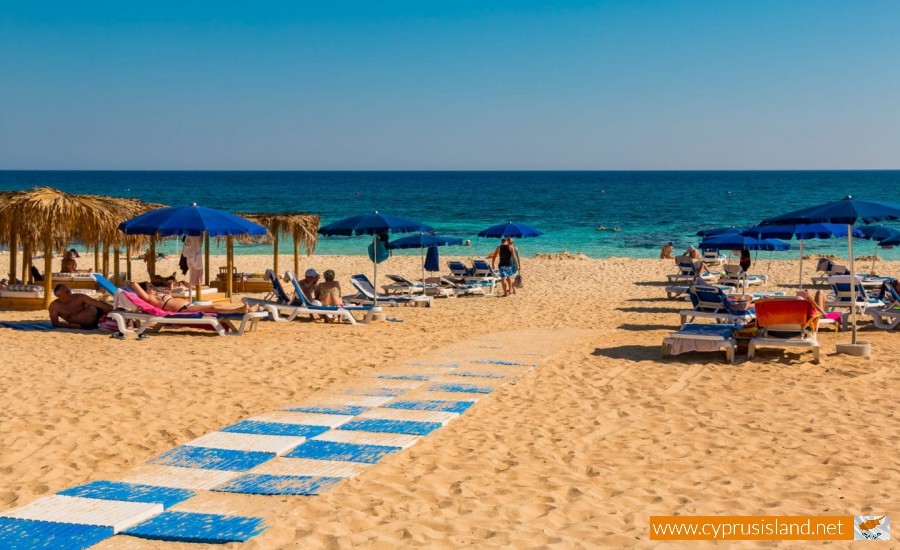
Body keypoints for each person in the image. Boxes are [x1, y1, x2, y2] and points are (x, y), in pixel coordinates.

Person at [130, 282, 252, 314]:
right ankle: (240, 310)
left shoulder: (157, 296)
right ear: (145, 291)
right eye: (150, 287)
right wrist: (137, 284)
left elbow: (170, 301)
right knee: (213, 307)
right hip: (183, 309)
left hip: (187, 305)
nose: (153, 288)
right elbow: (134, 284)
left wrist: (169, 295)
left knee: (216, 306)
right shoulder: (149, 298)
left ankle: (245, 309)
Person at [49, 284, 113, 329]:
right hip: (84, 326)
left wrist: (114, 309)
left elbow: (98, 304)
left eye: (69, 290)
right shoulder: (54, 306)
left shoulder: (80, 297)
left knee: (108, 310)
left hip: (99, 314)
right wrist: (70, 326)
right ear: (59, 295)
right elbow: (55, 323)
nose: (70, 292)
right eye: (67, 292)